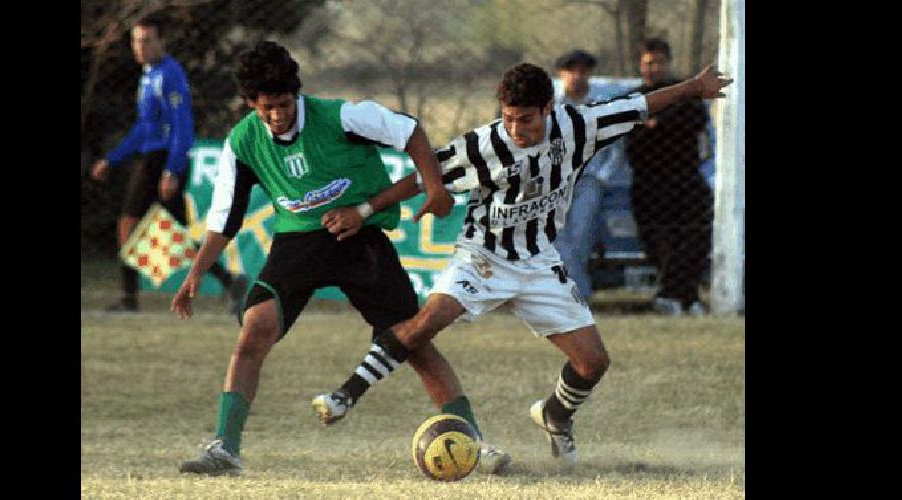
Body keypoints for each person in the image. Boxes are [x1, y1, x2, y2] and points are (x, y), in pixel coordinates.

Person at [312, 62, 731, 464]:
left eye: (526, 119)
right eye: (509, 118)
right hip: (483, 255)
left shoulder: (579, 126)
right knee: (430, 319)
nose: (517, 129)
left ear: (549, 109)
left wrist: (695, 87)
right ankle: (345, 394)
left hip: (538, 260)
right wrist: (364, 210)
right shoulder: (484, 144)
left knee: (593, 362)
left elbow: (639, 106)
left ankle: (555, 416)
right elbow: (423, 176)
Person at [169, 41, 510, 476]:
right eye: (266, 107)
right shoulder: (242, 143)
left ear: (297, 93)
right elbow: (224, 218)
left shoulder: (343, 117)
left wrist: (435, 188)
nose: (277, 115)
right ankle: (225, 449)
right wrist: (196, 274)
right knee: (255, 329)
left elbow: (411, 132)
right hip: (297, 245)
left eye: (284, 103)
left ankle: (475, 444)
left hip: (360, 237)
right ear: (251, 103)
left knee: (413, 342)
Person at [90, 15, 245, 313]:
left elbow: (182, 126)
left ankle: (129, 299)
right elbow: (144, 127)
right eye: (136, 40)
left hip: (162, 160)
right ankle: (229, 281)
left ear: (162, 41)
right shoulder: (148, 75)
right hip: (152, 158)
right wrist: (113, 158)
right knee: (176, 236)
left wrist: (172, 169)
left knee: (128, 224)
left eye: (148, 40)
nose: (141, 47)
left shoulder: (169, 74)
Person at [626, 38, 715, 316]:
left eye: (659, 62)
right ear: (641, 65)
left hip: (685, 178)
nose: (654, 68)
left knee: (695, 234)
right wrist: (660, 125)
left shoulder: (684, 93)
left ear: (668, 63)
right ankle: (681, 296)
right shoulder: (633, 98)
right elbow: (633, 138)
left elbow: (694, 120)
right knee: (659, 239)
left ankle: (677, 295)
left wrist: (657, 123)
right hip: (649, 181)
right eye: (649, 62)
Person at [551, 50, 635, 306]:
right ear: (561, 74)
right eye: (571, 70)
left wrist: (601, 177)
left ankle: (573, 293)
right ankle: (577, 294)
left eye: (582, 70)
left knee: (581, 235)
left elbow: (617, 148)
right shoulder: (550, 105)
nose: (577, 76)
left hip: (588, 179)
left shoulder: (601, 105)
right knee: (556, 236)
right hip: (556, 180)